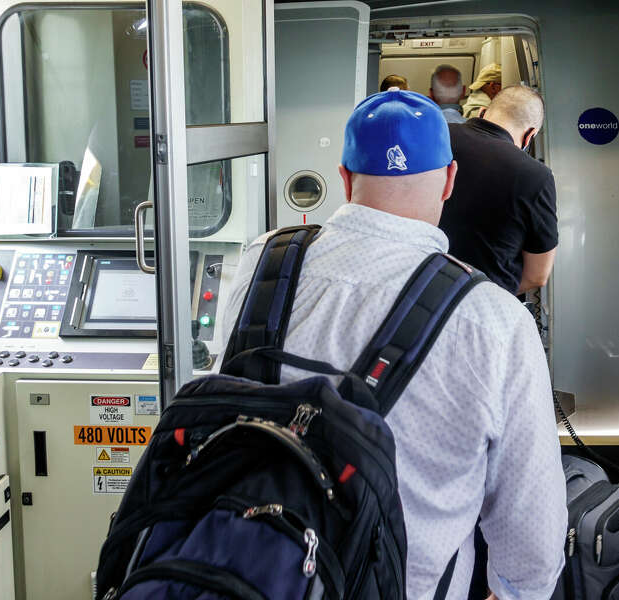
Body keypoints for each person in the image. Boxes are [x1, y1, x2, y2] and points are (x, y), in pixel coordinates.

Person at [220, 89, 566, 600]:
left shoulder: (260, 265)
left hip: (245, 576)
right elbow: (530, 537)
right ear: (449, 180)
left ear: (343, 176)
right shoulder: (492, 318)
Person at [439, 86, 558, 296]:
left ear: (482, 112)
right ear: (530, 135)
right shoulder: (536, 176)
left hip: (419, 294)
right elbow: (537, 275)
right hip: (484, 305)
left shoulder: (437, 137)